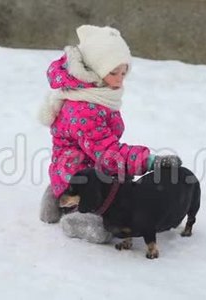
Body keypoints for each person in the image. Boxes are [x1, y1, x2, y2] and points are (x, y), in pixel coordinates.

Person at [38, 25, 181, 243]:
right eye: (113, 73)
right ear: (95, 71)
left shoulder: (97, 96)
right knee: (110, 219)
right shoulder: (84, 109)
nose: (120, 79)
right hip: (79, 171)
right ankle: (74, 216)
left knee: (121, 183)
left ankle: (58, 191)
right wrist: (148, 161)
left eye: (124, 72)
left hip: (85, 165)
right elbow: (108, 153)